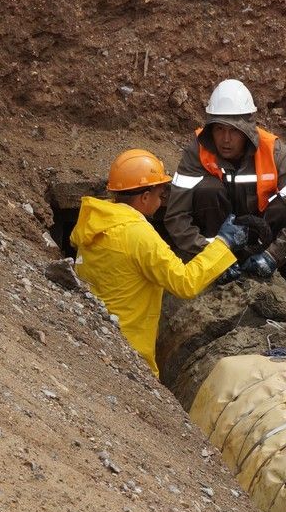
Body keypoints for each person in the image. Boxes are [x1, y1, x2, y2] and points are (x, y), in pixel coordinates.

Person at [71, 148, 252, 377]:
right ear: (144, 197)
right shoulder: (138, 235)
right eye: (160, 194)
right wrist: (223, 243)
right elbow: (184, 283)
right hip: (129, 348)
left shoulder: (97, 222)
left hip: (96, 337)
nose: (162, 199)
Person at [164, 79, 286, 281]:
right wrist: (211, 257)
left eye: (234, 130)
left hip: (262, 238)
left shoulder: (273, 151)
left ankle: (266, 271)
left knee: (283, 207)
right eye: (219, 129)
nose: (225, 139)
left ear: (247, 130)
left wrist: (273, 254)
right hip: (215, 244)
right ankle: (219, 272)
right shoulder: (198, 150)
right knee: (207, 190)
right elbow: (177, 217)